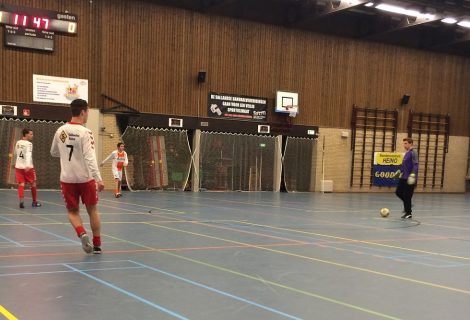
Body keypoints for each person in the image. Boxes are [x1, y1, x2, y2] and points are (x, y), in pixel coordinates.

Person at [50, 99, 104, 254]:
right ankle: (97, 244)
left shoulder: (60, 131)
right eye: (87, 112)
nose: (87, 115)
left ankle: (82, 233)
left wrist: (66, 152)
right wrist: (99, 179)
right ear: (82, 112)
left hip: (67, 179)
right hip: (85, 179)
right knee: (92, 210)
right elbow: (90, 158)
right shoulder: (85, 132)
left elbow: (53, 152)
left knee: (73, 212)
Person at [14, 128, 41, 208]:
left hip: (18, 166)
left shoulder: (18, 142)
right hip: (28, 167)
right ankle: (34, 202)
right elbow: (29, 155)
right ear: (26, 134)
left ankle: (21, 201)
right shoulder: (29, 144)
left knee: (21, 184)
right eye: (31, 134)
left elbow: (16, 153)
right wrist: (27, 165)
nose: (32, 135)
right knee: (33, 183)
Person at [395, 137, 419, 219]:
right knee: (398, 192)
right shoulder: (407, 153)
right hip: (403, 177)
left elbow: (416, 165)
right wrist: (399, 171)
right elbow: (404, 165)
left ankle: (408, 213)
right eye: (404, 143)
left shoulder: (414, 152)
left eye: (406, 143)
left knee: (407, 196)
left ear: (410, 143)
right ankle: (408, 204)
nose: (404, 145)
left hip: (410, 178)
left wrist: (413, 175)